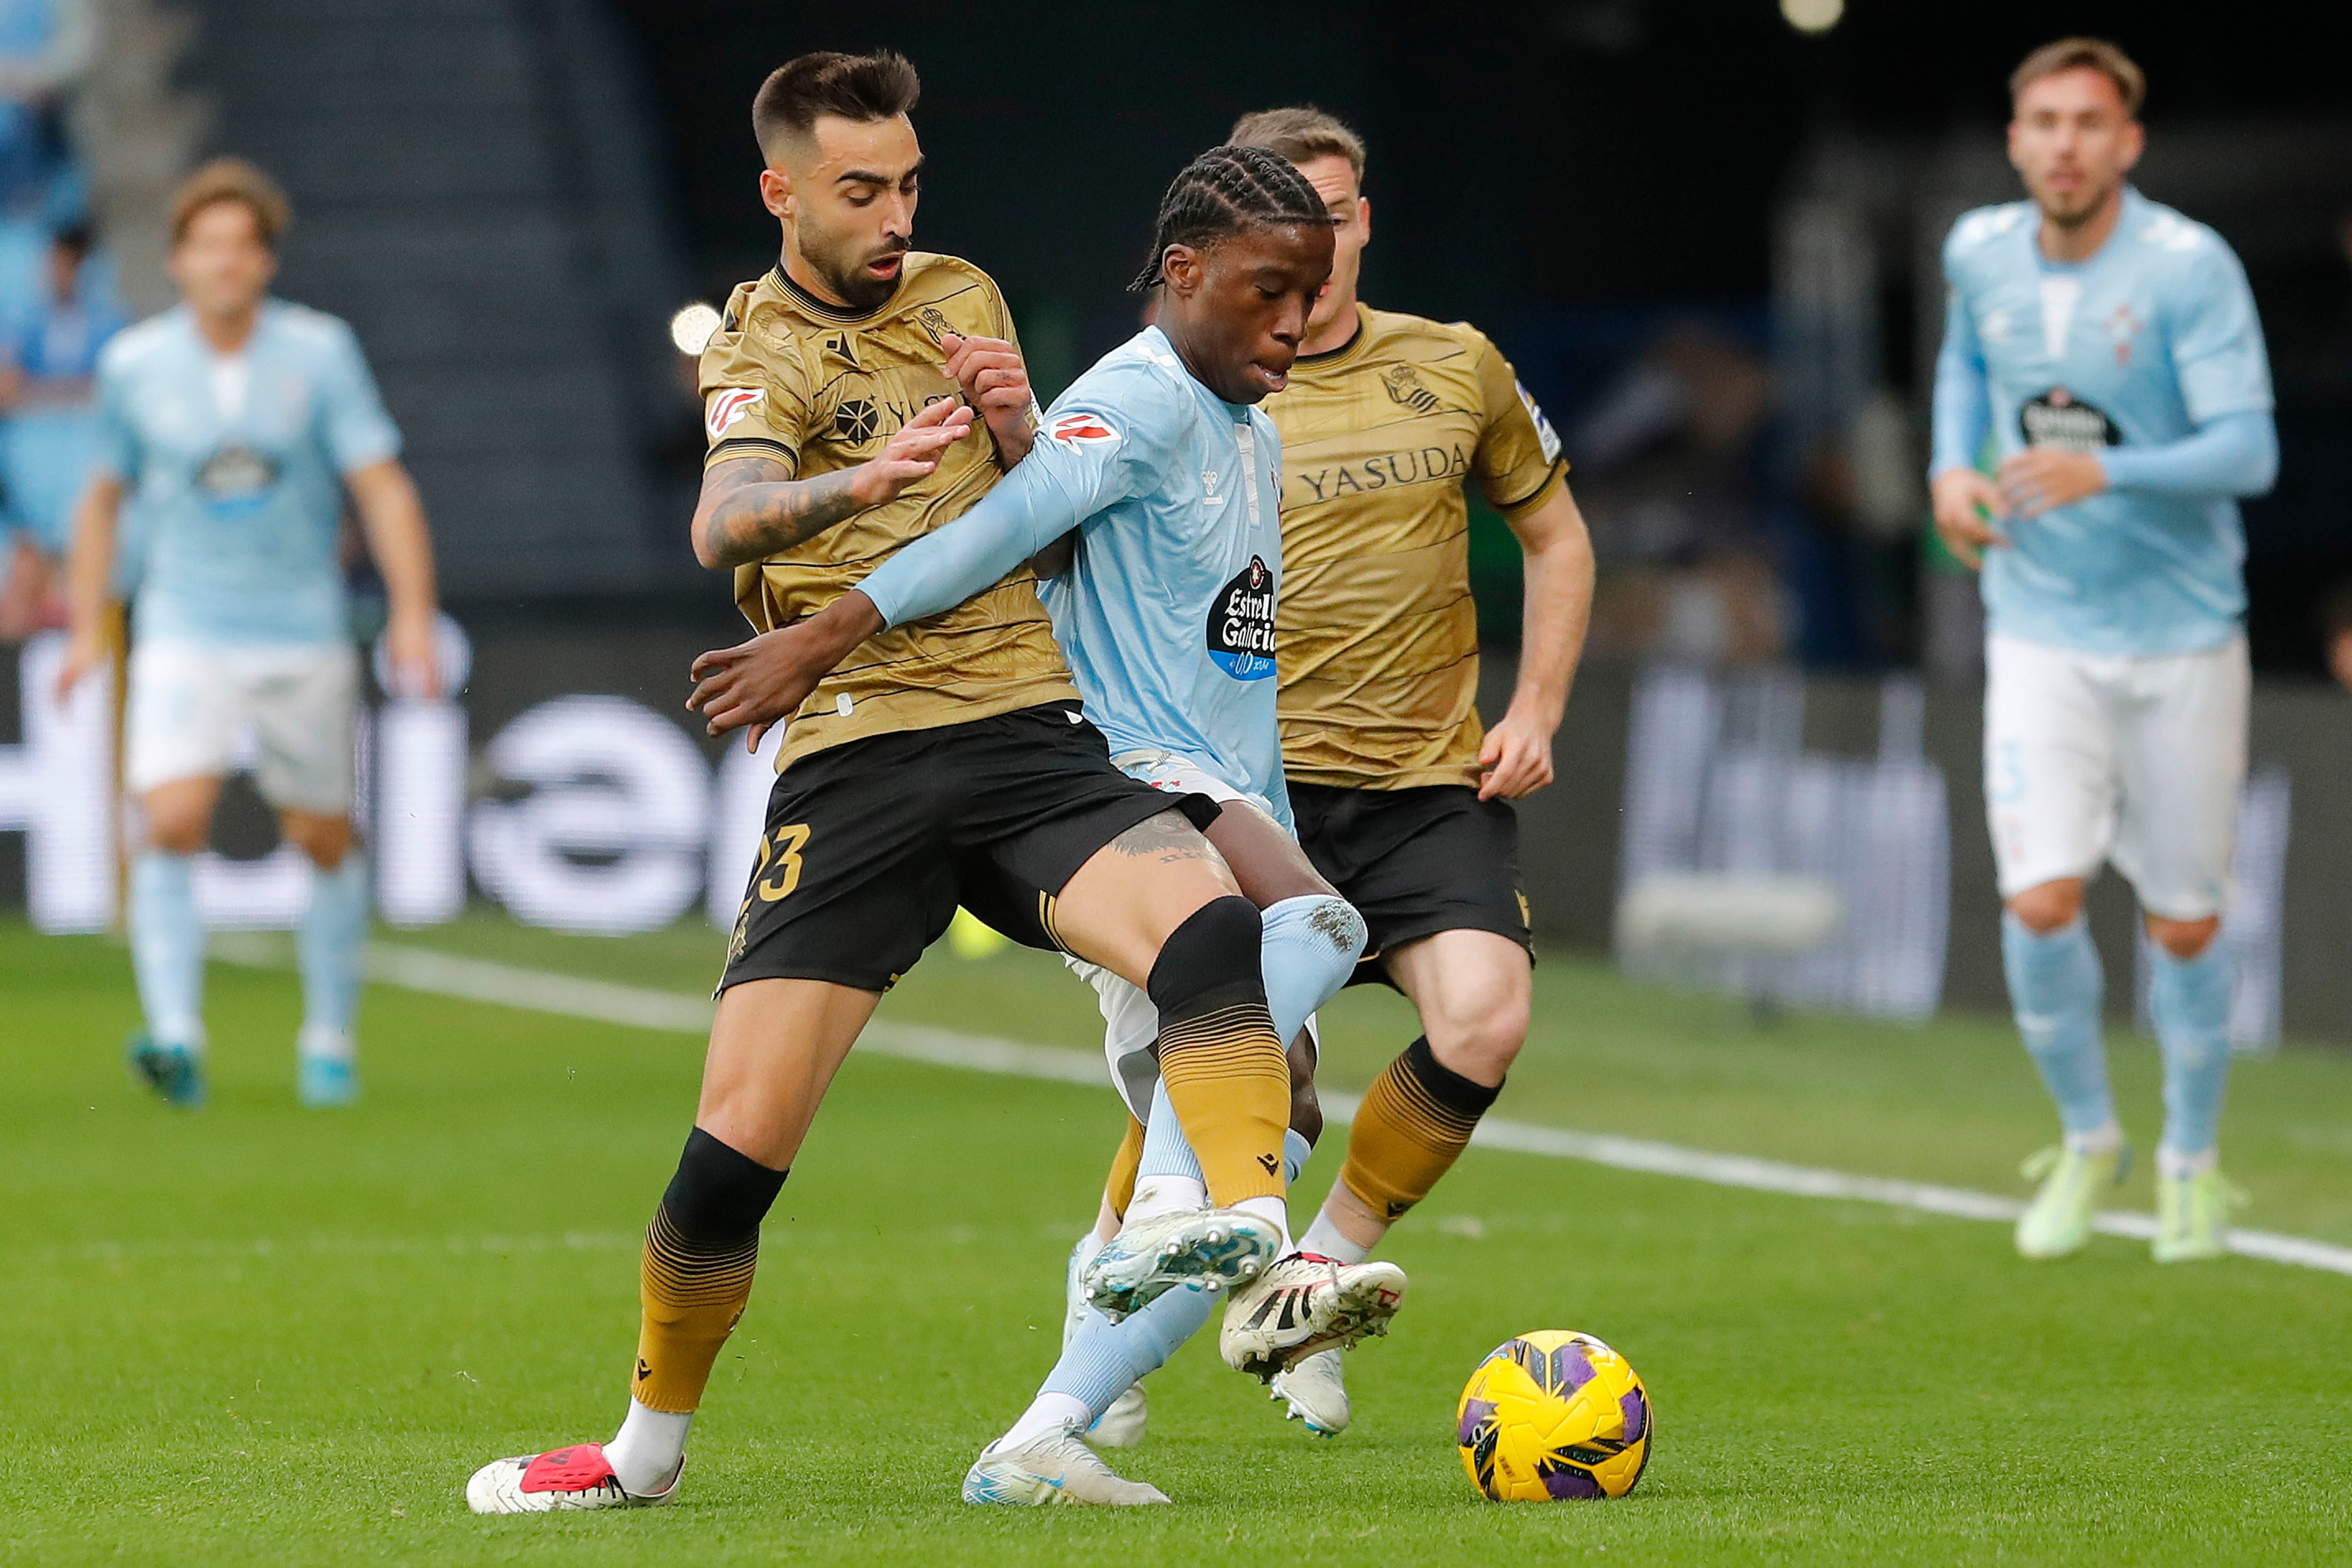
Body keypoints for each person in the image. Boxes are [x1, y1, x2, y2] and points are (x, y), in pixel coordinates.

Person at [466, 53, 1316, 1516]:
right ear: (779, 191)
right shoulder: (757, 352)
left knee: (1211, 923)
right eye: (860, 190)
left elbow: (1041, 521)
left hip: (1018, 725)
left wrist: (1010, 429)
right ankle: (641, 1453)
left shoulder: (963, 294)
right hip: (856, 760)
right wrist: (848, 491)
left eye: (908, 184)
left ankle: (1218, 1216)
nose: (893, 216)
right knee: (733, 1154)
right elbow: (723, 522)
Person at [669, 139, 1412, 1507]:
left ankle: (1063, 1406)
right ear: (1183, 273)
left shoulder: (1238, 413)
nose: (1297, 326)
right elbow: (1000, 529)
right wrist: (826, 630)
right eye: (1269, 293)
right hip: (1122, 788)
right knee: (1312, 924)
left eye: (1309, 294)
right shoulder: (1131, 398)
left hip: (1220, 789)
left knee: (1290, 1098)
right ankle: (1206, 1228)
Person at [1227, 105, 1593, 1434]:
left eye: (1333, 209)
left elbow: (1557, 539)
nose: (1314, 240)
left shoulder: (1455, 365)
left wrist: (1537, 706)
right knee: (1253, 1088)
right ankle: (1092, 1349)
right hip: (1250, 797)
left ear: (1365, 216)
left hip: (1430, 784)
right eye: (1285, 214)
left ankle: (1314, 1274)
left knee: (1485, 1018)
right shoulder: (1194, 379)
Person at [1928, 39, 2277, 1263]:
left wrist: (2105, 467)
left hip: (2181, 636)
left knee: (2183, 923)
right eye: (2044, 121)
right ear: (2017, 138)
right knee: (2041, 897)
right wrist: (1951, 466)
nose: (2065, 143)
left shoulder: (2189, 268)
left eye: (2089, 123)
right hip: (2039, 630)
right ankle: (2088, 1141)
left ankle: (2192, 1160)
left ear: (2128, 142)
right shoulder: (1980, 250)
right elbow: (1969, 358)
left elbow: (2250, 453)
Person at [54, 158, 441, 1109]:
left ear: (265, 263)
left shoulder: (319, 353)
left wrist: (412, 611)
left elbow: (381, 486)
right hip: (185, 621)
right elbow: (101, 497)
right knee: (172, 819)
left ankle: (329, 1037)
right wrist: (83, 624)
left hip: (300, 629)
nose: (225, 263)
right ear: (179, 260)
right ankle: (176, 1033)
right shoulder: (134, 365)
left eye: (243, 246)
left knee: (320, 836)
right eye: (207, 246)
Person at [0, 221, 120, 637]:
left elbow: (114, 393)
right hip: (32, 462)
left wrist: (45, 391)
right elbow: (8, 390)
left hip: (81, 458)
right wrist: (75, 391)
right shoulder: (24, 321)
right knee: (30, 556)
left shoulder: (109, 323)